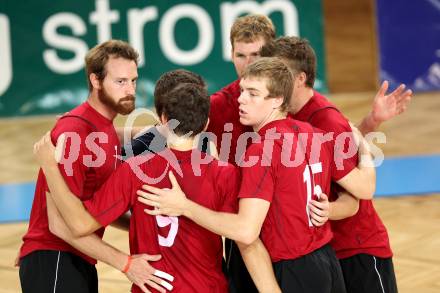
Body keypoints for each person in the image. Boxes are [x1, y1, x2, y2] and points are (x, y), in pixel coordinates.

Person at [137, 58, 377, 292]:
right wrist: (365, 151)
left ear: (278, 100)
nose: (241, 99)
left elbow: (245, 231)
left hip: (292, 269)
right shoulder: (314, 135)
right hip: (328, 265)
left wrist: (184, 206)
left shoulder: (261, 151)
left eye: (252, 93)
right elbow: (361, 194)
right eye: (242, 90)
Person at [33, 82, 275, 293]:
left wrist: (51, 170)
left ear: (162, 120)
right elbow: (246, 238)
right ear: (206, 124)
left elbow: (81, 224)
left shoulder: (134, 170)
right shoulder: (225, 174)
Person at [18, 40, 170, 293]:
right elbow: (60, 225)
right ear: (96, 81)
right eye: (120, 82)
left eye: (133, 80)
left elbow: (92, 208)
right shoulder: (74, 131)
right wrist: (126, 263)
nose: (130, 89)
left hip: (78, 258)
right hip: (54, 257)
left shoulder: (101, 127)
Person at [261, 36, 399, 293]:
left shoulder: (326, 120)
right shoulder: (290, 114)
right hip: (329, 249)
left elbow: (359, 193)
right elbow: (345, 146)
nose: (273, 79)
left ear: (300, 78)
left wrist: (326, 211)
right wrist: (369, 124)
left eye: (280, 72)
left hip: (359, 250)